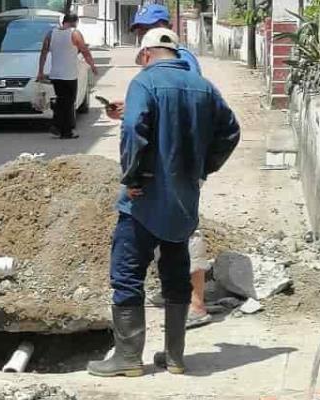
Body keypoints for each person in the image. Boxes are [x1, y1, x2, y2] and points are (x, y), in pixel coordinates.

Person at [87, 28, 240, 377]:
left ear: (145, 54)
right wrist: (203, 168)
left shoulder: (143, 83)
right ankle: (174, 357)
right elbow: (230, 132)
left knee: (127, 274)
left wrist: (133, 177)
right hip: (183, 200)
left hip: (143, 201)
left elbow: (134, 131)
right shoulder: (204, 87)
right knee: (175, 276)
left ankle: (127, 358)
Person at [106, 4, 210, 329]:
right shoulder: (182, 67)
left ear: (162, 28)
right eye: (137, 28)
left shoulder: (175, 64)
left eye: (144, 29)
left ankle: (195, 304)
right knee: (177, 238)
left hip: (161, 170)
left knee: (130, 263)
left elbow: (156, 118)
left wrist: (133, 174)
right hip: (182, 167)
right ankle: (177, 349)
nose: (138, 34)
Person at [37, 13, 98, 139]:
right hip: (69, 75)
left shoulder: (51, 33)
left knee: (61, 100)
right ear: (75, 22)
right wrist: (92, 65)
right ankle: (65, 131)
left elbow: (43, 52)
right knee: (68, 102)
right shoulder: (75, 33)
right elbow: (85, 51)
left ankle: (58, 126)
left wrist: (41, 71)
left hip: (56, 74)